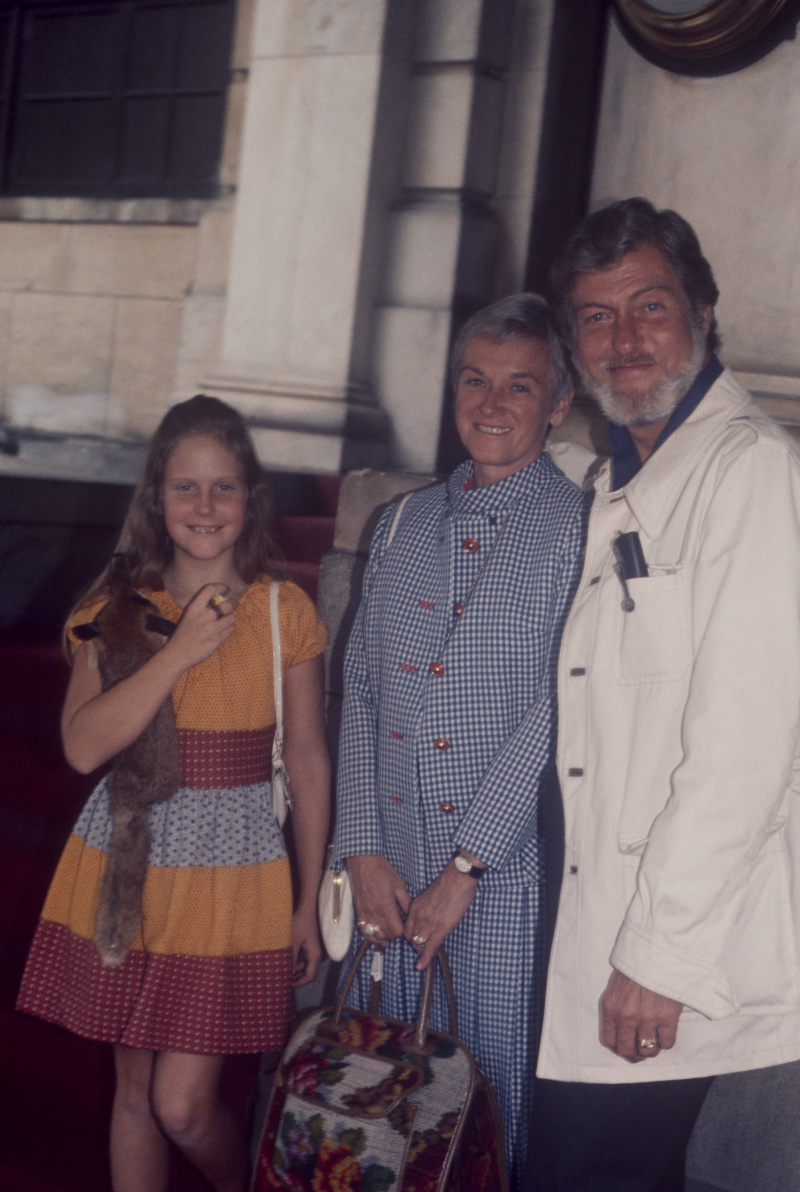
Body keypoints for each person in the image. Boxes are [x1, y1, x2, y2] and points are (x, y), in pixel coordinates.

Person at [529, 197, 800, 1190]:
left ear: (701, 314)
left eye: (649, 306)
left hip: (662, 959)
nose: (624, 337)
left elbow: (742, 750)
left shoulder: (750, 474)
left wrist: (656, 958)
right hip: (592, 925)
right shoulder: (619, 476)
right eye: (595, 317)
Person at [17, 395, 331, 1192]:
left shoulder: (279, 610)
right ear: (157, 496)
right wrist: (180, 649)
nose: (204, 506)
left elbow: (305, 755)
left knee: (184, 1105)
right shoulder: (116, 610)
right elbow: (84, 745)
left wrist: (306, 897)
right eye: (185, 487)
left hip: (235, 870)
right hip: (133, 859)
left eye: (223, 487)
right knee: (134, 1096)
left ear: (249, 497)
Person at [332, 293, 589, 1184]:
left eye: (521, 386)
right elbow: (359, 687)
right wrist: (360, 845)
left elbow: (559, 709)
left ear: (558, 404)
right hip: (389, 875)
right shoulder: (402, 523)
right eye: (476, 379)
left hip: (497, 884)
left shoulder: (578, 533)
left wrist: (466, 868)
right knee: (373, 1099)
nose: (492, 402)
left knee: (479, 1114)